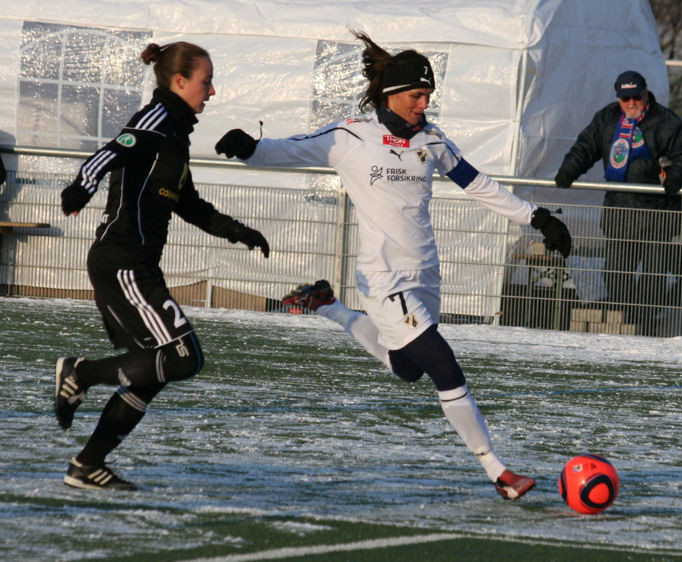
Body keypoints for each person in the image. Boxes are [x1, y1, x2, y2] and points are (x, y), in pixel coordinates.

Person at [215, 30, 571, 500]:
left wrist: (537, 217)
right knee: (445, 370)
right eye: (417, 95)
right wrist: (250, 149)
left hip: (425, 275)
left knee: (408, 369)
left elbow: (477, 184)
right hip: (383, 279)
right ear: (391, 94)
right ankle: (499, 472)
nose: (423, 104)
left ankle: (328, 306)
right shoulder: (351, 136)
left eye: (427, 95)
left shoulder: (432, 139)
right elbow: (288, 149)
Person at [55, 41, 269, 490]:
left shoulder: (176, 137)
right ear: (179, 81)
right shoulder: (155, 122)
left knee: (157, 368)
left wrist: (238, 231)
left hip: (137, 266)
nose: (211, 91)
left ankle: (87, 465)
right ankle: (82, 373)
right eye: (205, 81)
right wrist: (82, 186)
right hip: (123, 264)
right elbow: (111, 151)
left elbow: (187, 204)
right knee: (184, 357)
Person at [554, 70, 682, 335]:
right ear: (619, 98)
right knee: (616, 270)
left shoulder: (667, 122)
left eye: (636, 96)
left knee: (654, 274)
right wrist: (569, 170)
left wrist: (674, 178)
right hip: (620, 209)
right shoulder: (607, 118)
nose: (632, 102)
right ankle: (626, 316)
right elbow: (585, 147)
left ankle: (642, 321)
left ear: (646, 93)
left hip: (658, 211)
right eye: (625, 98)